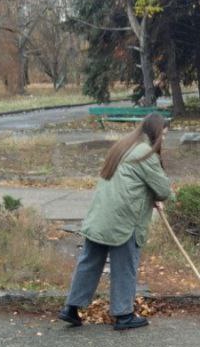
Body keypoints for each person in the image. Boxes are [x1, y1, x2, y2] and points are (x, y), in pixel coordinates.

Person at [59, 113, 176, 331]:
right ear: (156, 132)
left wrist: (149, 197)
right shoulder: (144, 153)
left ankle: (71, 309)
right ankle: (123, 315)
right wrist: (161, 197)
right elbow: (163, 189)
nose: (164, 140)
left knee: (89, 263)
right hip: (123, 220)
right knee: (124, 266)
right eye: (164, 135)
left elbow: (128, 182)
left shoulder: (122, 146)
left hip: (100, 216)